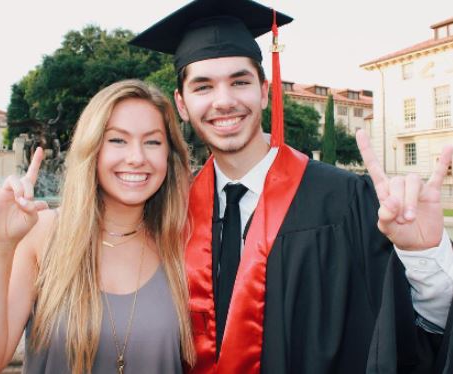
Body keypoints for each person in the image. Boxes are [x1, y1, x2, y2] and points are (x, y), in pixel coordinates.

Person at [130, 0, 453, 373]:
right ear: (182, 104)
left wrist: (424, 253)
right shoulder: (171, 212)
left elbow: (417, 331)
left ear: (265, 91)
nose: (224, 101)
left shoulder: (343, 201)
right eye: (203, 87)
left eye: (239, 82)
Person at [0, 79, 195, 374]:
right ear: (93, 149)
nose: (137, 158)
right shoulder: (44, 234)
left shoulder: (182, 242)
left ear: (168, 155)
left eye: (152, 141)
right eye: (117, 140)